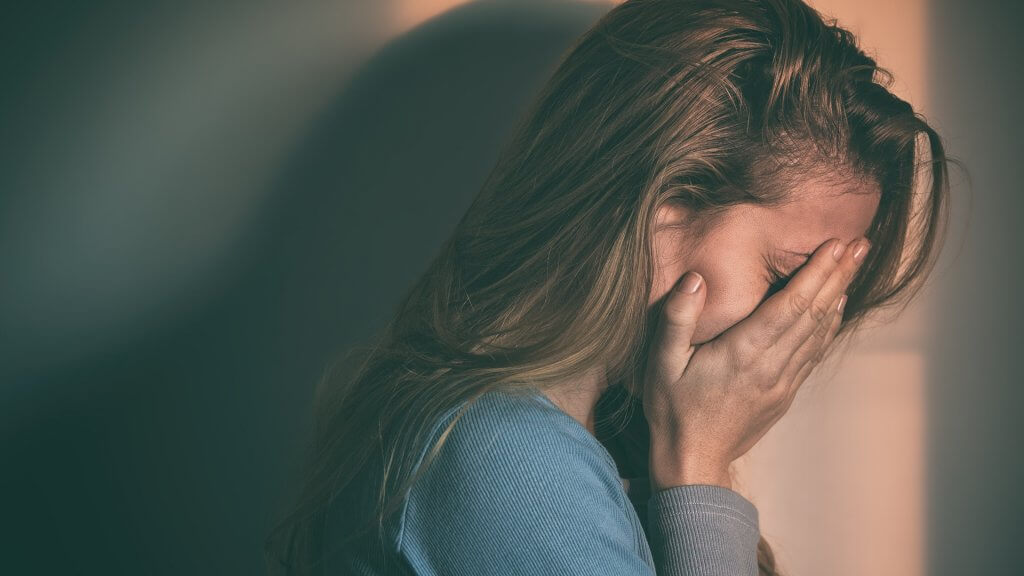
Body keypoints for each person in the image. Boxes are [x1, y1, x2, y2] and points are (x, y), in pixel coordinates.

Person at [265, 0, 951, 574]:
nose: (799, 327)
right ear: (664, 202)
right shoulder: (504, 456)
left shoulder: (559, 439)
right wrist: (699, 465)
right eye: (788, 275)